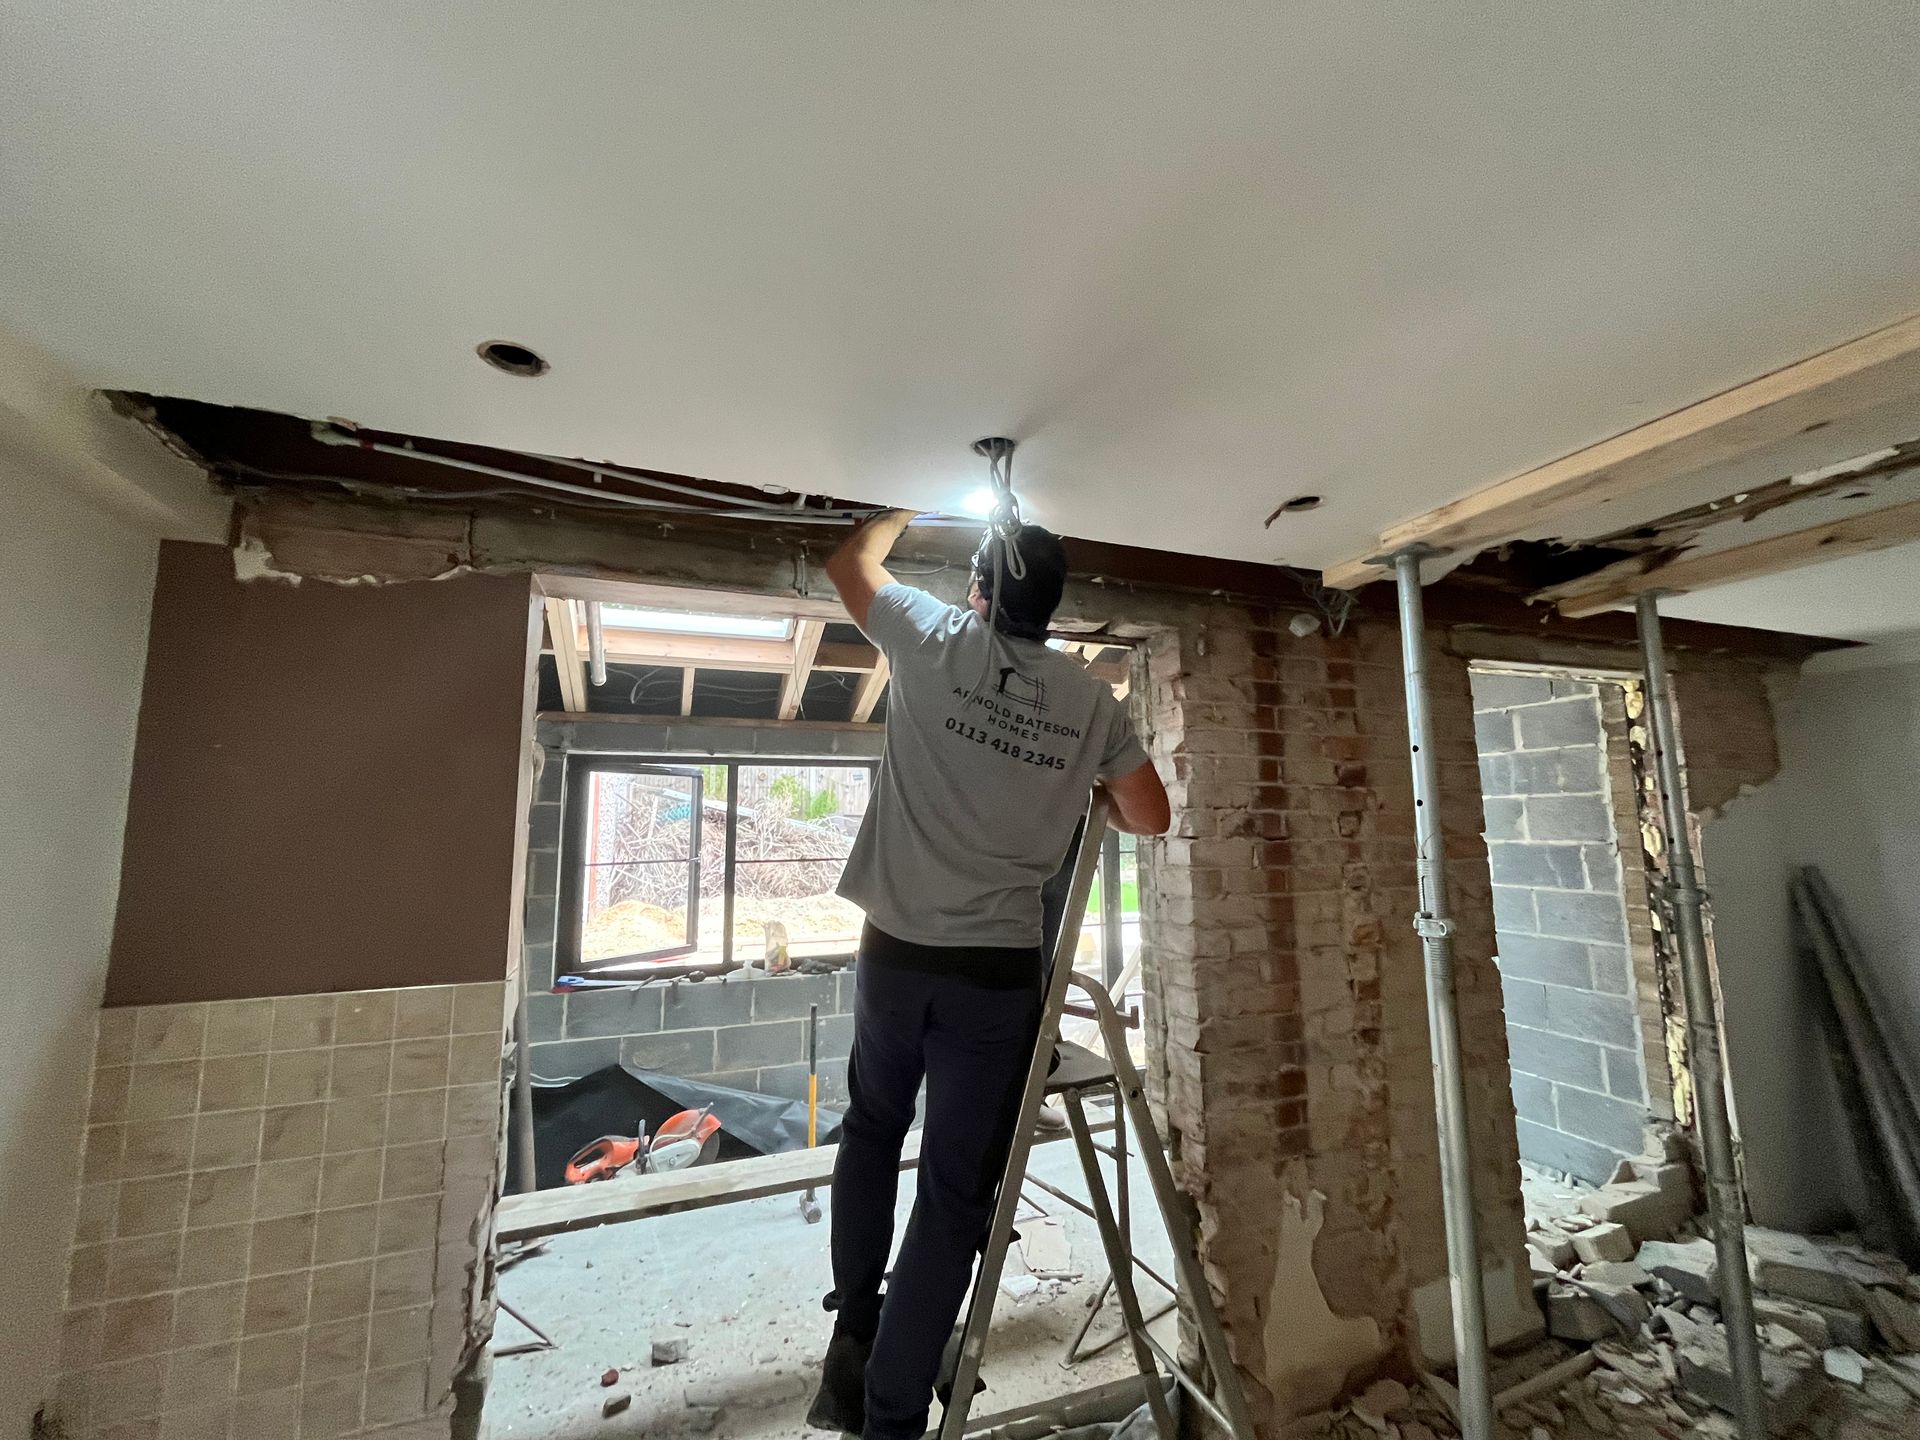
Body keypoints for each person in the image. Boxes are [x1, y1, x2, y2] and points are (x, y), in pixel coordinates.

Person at [807, 508, 1171, 1439]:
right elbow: (1149, 815)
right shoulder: (1091, 702)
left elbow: (846, 563)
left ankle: (854, 1330)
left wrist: (903, 505)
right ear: (1052, 609)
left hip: (894, 960)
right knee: (956, 1194)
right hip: (996, 980)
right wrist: (1072, 778)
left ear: (976, 592)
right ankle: (892, 1413)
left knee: (873, 1129)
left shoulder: (931, 636)